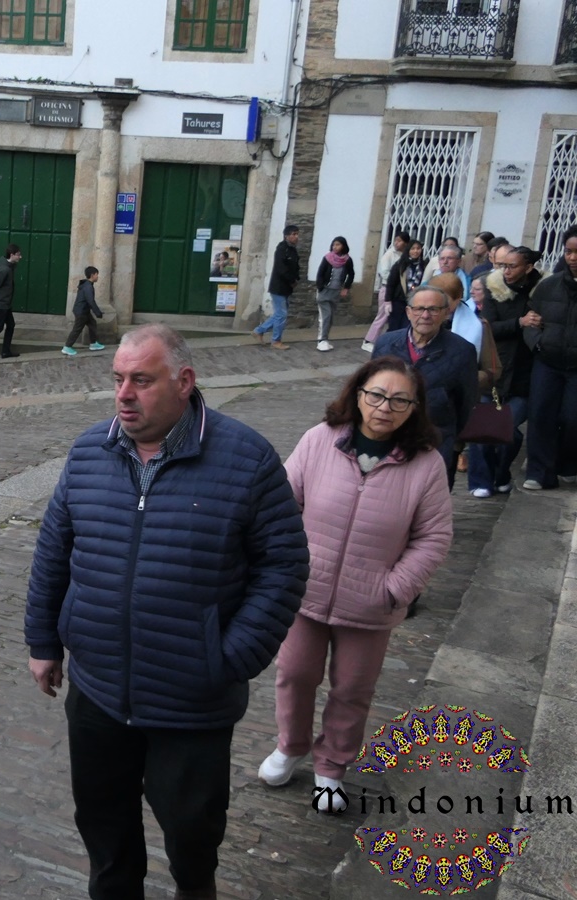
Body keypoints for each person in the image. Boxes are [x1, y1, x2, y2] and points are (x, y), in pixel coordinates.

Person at [24, 324, 309, 900]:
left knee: (191, 832)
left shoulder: (246, 458)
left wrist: (228, 658)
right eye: (118, 379)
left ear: (184, 381)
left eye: (142, 380)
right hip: (99, 690)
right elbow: (54, 550)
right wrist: (44, 642)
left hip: (191, 700)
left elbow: (284, 566)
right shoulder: (89, 452)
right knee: (104, 826)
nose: (124, 394)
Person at [260, 357, 452, 813]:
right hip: (306, 592)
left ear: (414, 408)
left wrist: (394, 589)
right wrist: (286, 568)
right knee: (294, 674)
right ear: (359, 393)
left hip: (371, 604)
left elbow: (434, 536)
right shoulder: (319, 440)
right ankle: (290, 745)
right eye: (377, 395)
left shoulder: (426, 464)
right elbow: (282, 504)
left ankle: (332, 765)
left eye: (400, 400)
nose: (385, 407)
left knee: (352, 689)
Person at [373, 285, 479, 490]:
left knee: (428, 494)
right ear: (408, 312)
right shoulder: (386, 344)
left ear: (446, 313)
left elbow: (466, 401)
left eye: (433, 309)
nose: (425, 315)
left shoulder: (462, 351)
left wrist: (451, 436)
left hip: (436, 439)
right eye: (419, 308)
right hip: (390, 435)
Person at [471, 251, 542, 494]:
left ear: (528, 267)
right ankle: (480, 482)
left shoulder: (540, 291)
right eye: (503, 265)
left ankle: (501, 474)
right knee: (483, 430)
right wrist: (519, 323)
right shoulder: (494, 289)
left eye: (512, 266)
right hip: (495, 368)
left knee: (508, 430)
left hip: (524, 375)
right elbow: (488, 327)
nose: (506, 271)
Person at [523, 228, 577, 490]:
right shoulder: (548, 286)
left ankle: (568, 464)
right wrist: (537, 343)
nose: (573, 258)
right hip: (547, 362)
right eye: (569, 251)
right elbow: (530, 321)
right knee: (540, 415)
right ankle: (539, 472)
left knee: (572, 418)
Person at [254, 224, 300, 350]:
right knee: (281, 314)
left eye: (297, 234)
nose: (296, 237)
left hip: (287, 287)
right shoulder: (282, 249)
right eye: (293, 234)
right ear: (286, 236)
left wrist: (296, 278)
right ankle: (276, 341)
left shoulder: (292, 249)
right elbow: (281, 268)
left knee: (279, 314)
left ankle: (259, 331)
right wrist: (291, 280)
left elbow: (295, 267)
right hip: (279, 287)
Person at [362, 231, 410, 352]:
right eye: (396, 240)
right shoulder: (389, 255)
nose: (396, 243)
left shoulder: (405, 256)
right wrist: (396, 280)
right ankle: (368, 340)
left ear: (406, 243)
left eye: (399, 241)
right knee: (382, 316)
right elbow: (384, 272)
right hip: (387, 288)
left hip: (398, 291)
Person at [314, 236, 355, 351]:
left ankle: (325, 339)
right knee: (325, 316)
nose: (335, 247)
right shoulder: (327, 258)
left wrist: (346, 287)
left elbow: (351, 274)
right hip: (325, 291)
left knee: (330, 317)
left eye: (338, 245)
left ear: (343, 246)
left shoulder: (347, 260)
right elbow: (320, 274)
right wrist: (320, 288)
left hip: (335, 292)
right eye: (333, 245)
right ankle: (321, 340)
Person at [61, 266, 105, 356]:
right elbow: (91, 301)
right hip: (81, 311)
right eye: (97, 274)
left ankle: (93, 343)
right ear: (92, 275)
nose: (97, 276)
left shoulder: (86, 285)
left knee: (92, 324)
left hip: (84, 310)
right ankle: (67, 347)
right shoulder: (88, 287)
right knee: (77, 329)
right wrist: (98, 312)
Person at [386, 239, 426, 333]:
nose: (415, 251)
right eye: (413, 248)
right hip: (399, 300)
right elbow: (391, 283)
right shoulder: (400, 265)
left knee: (408, 327)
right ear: (408, 250)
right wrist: (388, 301)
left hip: (414, 302)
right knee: (394, 326)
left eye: (418, 248)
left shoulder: (423, 266)